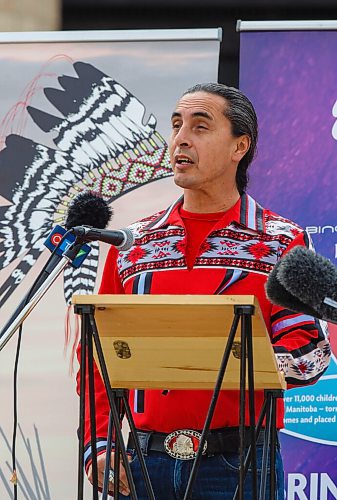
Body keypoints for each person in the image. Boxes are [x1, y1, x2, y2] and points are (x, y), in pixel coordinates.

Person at [77, 83, 331, 499]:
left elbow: (308, 354)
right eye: (176, 125)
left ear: (239, 147)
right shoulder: (133, 244)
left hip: (241, 462)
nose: (181, 138)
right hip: (142, 460)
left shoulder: (280, 240)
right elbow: (97, 357)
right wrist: (99, 445)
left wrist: (222, 364)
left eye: (200, 126)